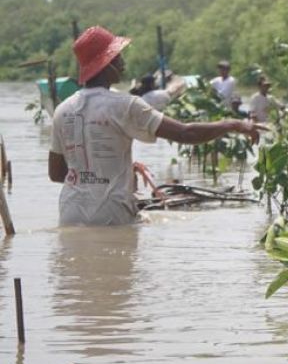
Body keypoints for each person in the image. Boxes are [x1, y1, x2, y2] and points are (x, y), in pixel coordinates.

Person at [48, 26, 263, 227]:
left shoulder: (62, 110)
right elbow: (186, 133)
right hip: (110, 214)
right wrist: (232, 124)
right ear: (108, 63)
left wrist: (98, 172)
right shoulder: (125, 105)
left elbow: (57, 173)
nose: (123, 64)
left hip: (70, 213)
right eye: (119, 57)